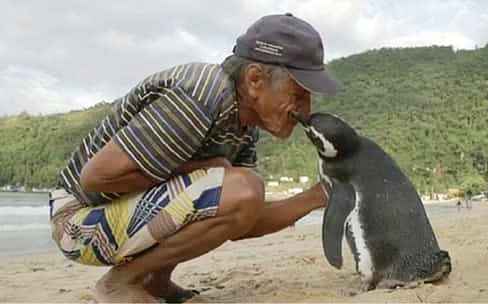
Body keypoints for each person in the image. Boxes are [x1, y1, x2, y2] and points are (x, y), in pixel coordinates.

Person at [49, 13, 339, 303]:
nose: (305, 109)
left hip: (115, 216)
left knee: (242, 190)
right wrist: (203, 168)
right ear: (254, 80)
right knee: (242, 187)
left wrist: (318, 195)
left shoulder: (244, 127)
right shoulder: (201, 94)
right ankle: (119, 283)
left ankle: (155, 282)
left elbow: (241, 218)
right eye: (298, 94)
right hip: (76, 222)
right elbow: (95, 178)